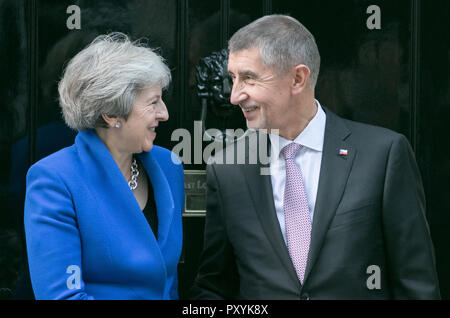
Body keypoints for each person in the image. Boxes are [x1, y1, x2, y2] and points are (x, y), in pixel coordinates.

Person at [190, 15, 440, 299]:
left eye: (249, 78)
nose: (234, 96)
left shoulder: (383, 156)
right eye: (233, 78)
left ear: (298, 79)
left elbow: (416, 285)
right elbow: (213, 288)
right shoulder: (227, 170)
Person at [24, 33, 184, 300]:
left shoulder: (168, 166)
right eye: (153, 102)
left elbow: (168, 283)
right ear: (111, 114)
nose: (164, 114)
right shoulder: (55, 180)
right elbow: (62, 296)